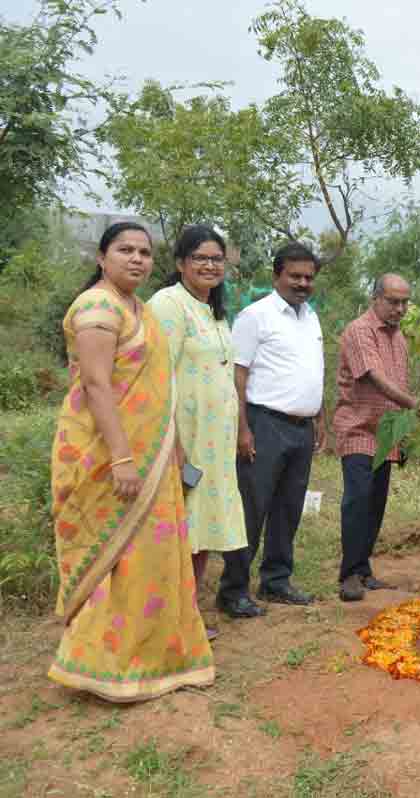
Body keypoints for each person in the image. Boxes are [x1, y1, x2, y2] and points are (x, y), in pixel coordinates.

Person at [48, 221, 214, 701]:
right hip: (105, 453)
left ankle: (154, 657)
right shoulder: (97, 308)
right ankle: (102, 665)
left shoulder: (138, 309)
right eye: (125, 250)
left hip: (151, 454)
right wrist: (122, 457)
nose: (137, 259)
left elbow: (159, 390)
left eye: (144, 252)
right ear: (102, 257)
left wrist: (172, 447)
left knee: (150, 557)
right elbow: (97, 386)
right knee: (113, 559)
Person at [147, 225, 248, 642]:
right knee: (176, 529)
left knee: (201, 526)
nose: (210, 265)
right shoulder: (168, 305)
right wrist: (173, 443)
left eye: (216, 259)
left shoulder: (215, 310)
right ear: (179, 264)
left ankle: (186, 614)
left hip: (215, 445)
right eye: (200, 258)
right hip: (183, 441)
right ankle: (165, 618)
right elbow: (156, 377)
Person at [217, 242, 325, 617]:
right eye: (295, 275)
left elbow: (311, 369)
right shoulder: (255, 316)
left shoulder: (310, 316)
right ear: (277, 275)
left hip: (301, 428)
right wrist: (242, 429)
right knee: (251, 507)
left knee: (288, 508)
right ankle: (233, 590)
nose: (302, 283)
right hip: (264, 424)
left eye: (309, 277)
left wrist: (318, 416)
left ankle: (276, 581)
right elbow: (238, 374)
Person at [333, 274, 420, 602]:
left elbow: (399, 386)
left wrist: (402, 436)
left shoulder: (399, 338)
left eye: (405, 302)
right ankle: (348, 575)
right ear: (376, 298)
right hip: (359, 429)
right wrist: (414, 404)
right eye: (393, 301)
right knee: (358, 500)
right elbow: (375, 378)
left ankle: (363, 569)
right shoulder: (360, 331)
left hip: (386, 434)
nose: (400, 308)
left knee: (375, 504)